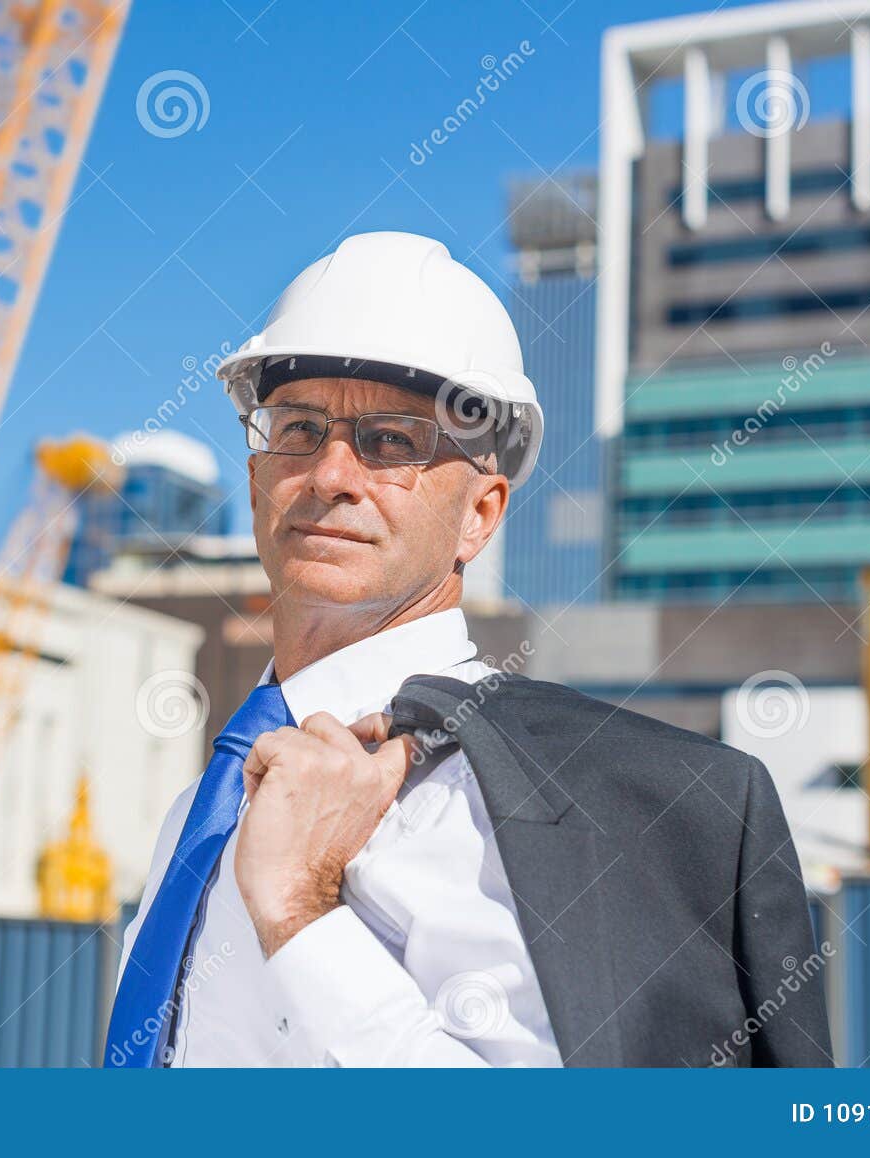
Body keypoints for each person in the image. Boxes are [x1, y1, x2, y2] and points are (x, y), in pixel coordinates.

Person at [104, 231, 830, 1067]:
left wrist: (304, 914)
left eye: (392, 443)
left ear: (480, 515)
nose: (331, 473)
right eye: (298, 428)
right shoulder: (201, 808)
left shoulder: (567, 805)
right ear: (258, 472)